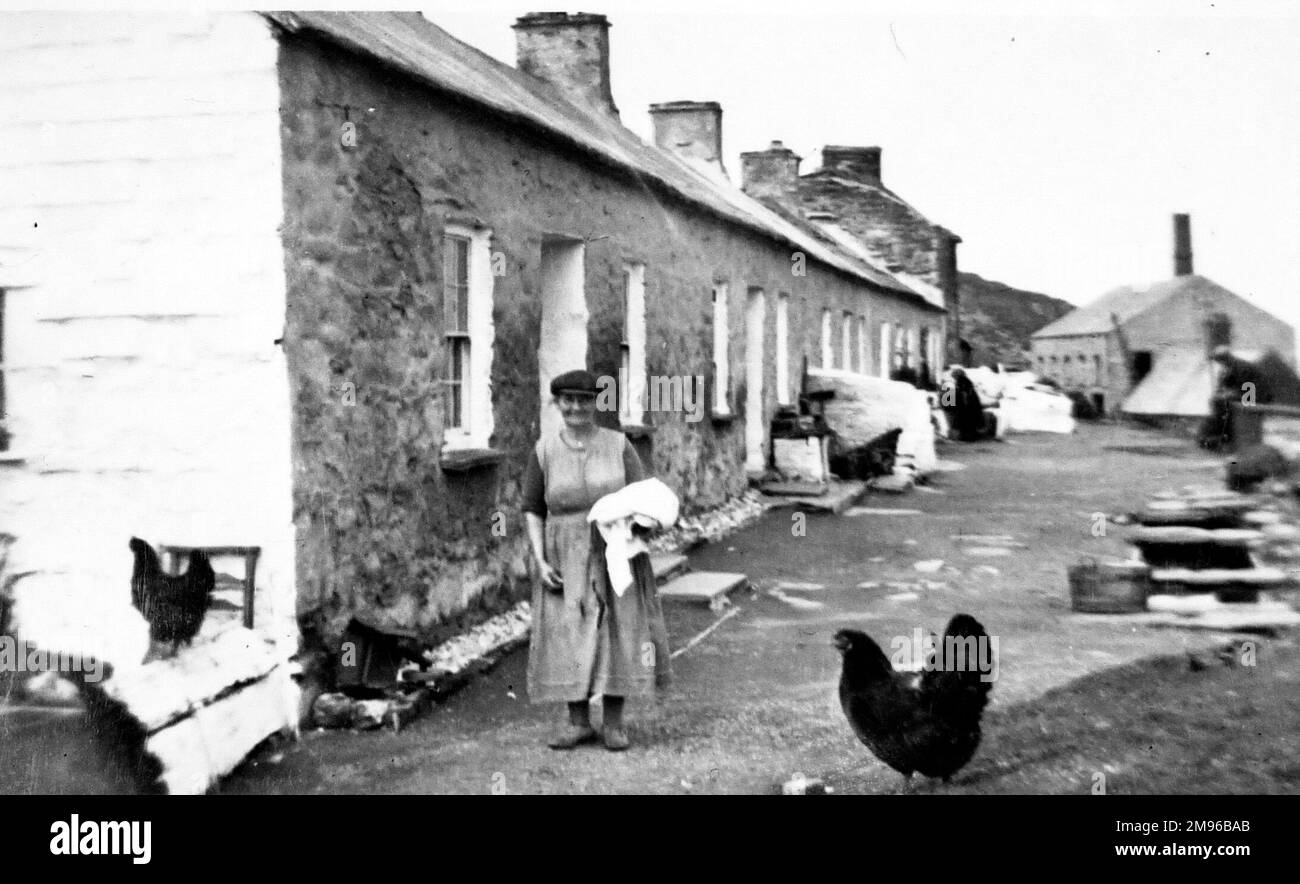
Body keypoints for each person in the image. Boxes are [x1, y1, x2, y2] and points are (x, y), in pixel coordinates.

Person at [521, 369, 671, 751]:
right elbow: (532, 508)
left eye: (584, 400)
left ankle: (615, 722)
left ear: (597, 402)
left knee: (619, 630)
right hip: (564, 553)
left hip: (615, 551)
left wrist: (639, 529)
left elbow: (644, 498)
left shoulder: (619, 445)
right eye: (567, 400)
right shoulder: (544, 450)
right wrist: (539, 560)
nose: (576, 407)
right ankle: (577, 722)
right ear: (557, 404)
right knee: (569, 631)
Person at [1201, 345, 1269, 451]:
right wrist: (1220, 394)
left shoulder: (1242, 367)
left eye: (1220, 360)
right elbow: (1222, 387)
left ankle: (1227, 439)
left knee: (1225, 406)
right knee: (1217, 402)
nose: (1219, 363)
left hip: (1253, 397)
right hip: (1238, 398)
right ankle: (1218, 438)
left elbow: (1249, 388)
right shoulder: (1226, 370)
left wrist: (1232, 394)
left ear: (1226, 358)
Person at [942, 368, 991, 441]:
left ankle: (968, 437)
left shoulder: (962, 382)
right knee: (969, 422)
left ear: (957, 375)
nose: (954, 378)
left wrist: (959, 404)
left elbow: (963, 394)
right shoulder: (965, 381)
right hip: (970, 406)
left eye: (954, 376)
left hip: (967, 407)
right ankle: (969, 436)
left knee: (967, 422)